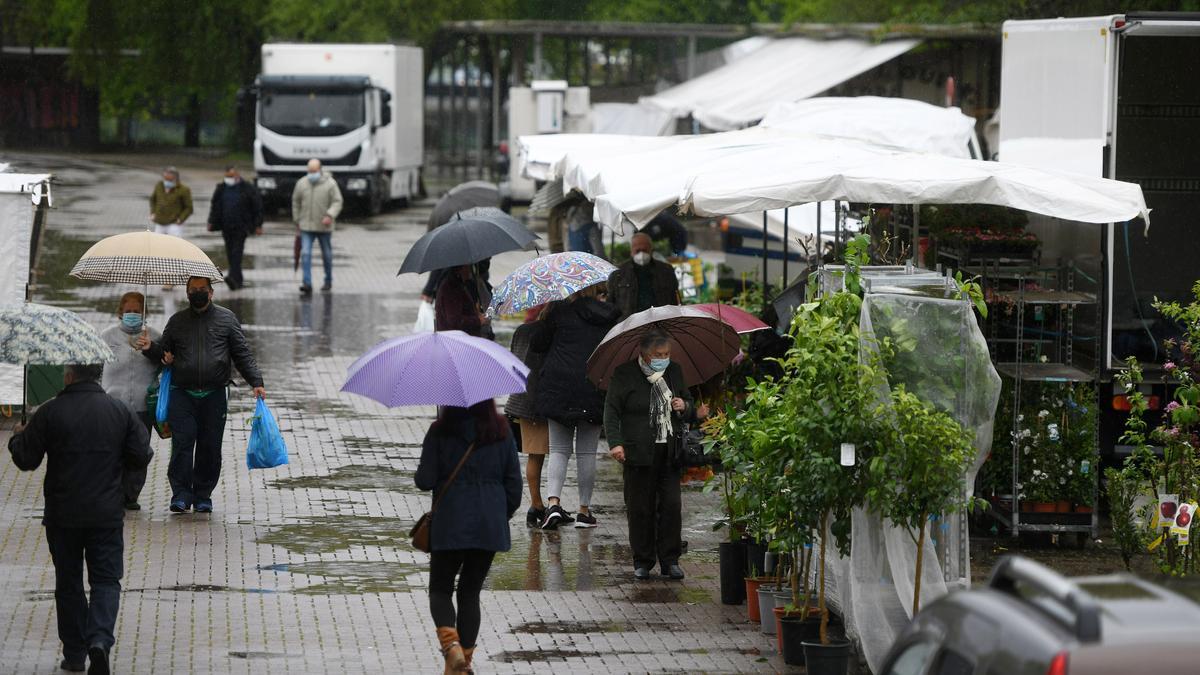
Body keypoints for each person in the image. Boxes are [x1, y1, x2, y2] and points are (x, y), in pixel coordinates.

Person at [8, 363, 153, 674]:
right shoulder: (120, 411)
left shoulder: (50, 411)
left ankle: (75, 654)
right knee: (106, 579)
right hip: (106, 513)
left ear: (69, 376)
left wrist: (17, 438)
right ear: (98, 375)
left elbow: (26, 460)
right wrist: (122, 485)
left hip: (63, 515)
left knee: (69, 582)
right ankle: (100, 640)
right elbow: (142, 454)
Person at [136, 276, 265, 513]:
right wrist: (150, 349)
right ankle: (181, 494)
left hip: (214, 394)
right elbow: (164, 352)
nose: (197, 293)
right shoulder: (177, 321)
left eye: (201, 289)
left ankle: (203, 494)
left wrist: (256, 381)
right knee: (183, 444)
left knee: (210, 446)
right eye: (192, 290)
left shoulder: (227, 319)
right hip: (182, 394)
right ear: (186, 293)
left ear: (211, 293)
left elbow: (242, 353)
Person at [416, 400, 521, 674]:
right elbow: (514, 486)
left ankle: (452, 649)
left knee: (440, 590)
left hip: (450, 521)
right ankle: (464, 662)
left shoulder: (440, 431)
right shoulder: (502, 431)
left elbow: (424, 480)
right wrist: (499, 514)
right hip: (489, 524)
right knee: (470, 592)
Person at [604, 330, 694, 580]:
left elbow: (689, 401)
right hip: (638, 452)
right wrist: (616, 443)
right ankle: (643, 560)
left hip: (669, 451)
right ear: (643, 354)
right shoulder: (624, 375)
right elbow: (611, 411)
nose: (663, 359)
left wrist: (684, 406)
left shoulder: (674, 371)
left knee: (672, 506)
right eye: (657, 355)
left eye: (666, 354)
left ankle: (670, 560)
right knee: (639, 507)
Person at [530, 285, 621, 530]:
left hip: (558, 387)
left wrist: (545, 313)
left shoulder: (558, 311)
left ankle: (553, 504)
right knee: (587, 453)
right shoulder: (608, 315)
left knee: (559, 450)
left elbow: (537, 344)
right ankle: (583, 511)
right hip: (592, 385)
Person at [98, 292, 161, 511]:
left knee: (139, 451)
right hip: (113, 405)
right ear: (120, 313)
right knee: (113, 450)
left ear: (144, 313)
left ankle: (131, 494)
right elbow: (96, 368)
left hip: (143, 407)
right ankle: (112, 492)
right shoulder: (107, 336)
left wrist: (151, 349)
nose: (132, 315)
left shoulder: (154, 336)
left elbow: (165, 363)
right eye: (128, 312)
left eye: (136, 311)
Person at [503, 305, 549, 527]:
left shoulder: (521, 331)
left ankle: (538, 503)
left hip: (520, 399)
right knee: (537, 454)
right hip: (537, 402)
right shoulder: (548, 333)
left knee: (535, 454)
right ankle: (537, 505)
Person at [206, 165, 263, 291]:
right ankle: (238, 280)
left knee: (237, 252)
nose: (229, 179)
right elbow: (215, 206)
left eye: (231, 176)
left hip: (241, 227)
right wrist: (211, 222)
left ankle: (232, 277)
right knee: (230, 252)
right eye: (227, 176)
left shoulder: (247, 188)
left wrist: (258, 225)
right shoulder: (221, 188)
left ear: (237, 175)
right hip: (226, 226)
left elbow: (257, 207)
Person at [292, 158, 343, 295]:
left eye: (314, 171)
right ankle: (307, 283)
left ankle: (328, 280)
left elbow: (337, 201)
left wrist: (330, 215)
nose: (311, 173)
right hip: (306, 226)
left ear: (320, 170)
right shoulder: (302, 183)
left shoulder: (330, 184)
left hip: (324, 226)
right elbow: (296, 202)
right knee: (306, 253)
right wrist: (297, 220)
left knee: (326, 254)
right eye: (309, 171)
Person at [607, 231, 680, 320]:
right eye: (638, 250)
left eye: (644, 250)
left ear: (651, 249)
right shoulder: (618, 273)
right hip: (630, 325)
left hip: (661, 321)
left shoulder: (666, 270)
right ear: (631, 250)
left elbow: (675, 299)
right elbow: (610, 304)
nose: (641, 254)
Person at [435, 264, 490, 337]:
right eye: (468, 266)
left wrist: (476, 314)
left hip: (460, 338)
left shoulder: (459, 284)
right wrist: (478, 320)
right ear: (461, 269)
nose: (470, 270)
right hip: (455, 340)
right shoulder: (451, 288)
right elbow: (454, 320)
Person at [148, 167, 193, 238]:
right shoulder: (159, 186)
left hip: (174, 224)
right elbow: (153, 200)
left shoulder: (184, 190)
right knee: (158, 244)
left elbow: (189, 208)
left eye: (170, 179)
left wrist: (180, 219)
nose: (167, 181)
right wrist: (153, 213)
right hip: (160, 222)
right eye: (165, 179)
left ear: (176, 178)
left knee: (175, 245)